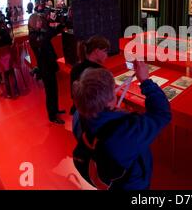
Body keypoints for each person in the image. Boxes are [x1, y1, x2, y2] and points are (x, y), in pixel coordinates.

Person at [72, 61, 171, 190]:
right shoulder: (126, 133)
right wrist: (145, 81)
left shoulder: (78, 117)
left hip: (108, 178)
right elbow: (162, 114)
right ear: (110, 99)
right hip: (133, 185)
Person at [28, 13, 65, 124]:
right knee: (50, 92)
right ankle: (52, 116)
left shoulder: (39, 33)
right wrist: (49, 24)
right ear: (34, 22)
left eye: (40, 21)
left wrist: (60, 23)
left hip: (50, 65)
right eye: (38, 21)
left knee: (54, 89)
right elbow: (46, 38)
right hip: (45, 67)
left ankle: (55, 109)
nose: (40, 22)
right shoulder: (33, 36)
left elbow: (52, 33)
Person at [69, 36, 110, 115]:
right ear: (97, 51)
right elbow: (104, 100)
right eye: (105, 51)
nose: (107, 55)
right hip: (94, 115)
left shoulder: (75, 68)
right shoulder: (101, 72)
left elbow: (74, 95)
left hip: (78, 113)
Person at [0, 22, 19, 98]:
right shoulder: (5, 32)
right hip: (9, 56)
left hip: (1, 58)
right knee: (12, 73)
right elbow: (10, 43)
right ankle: (16, 91)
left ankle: (9, 94)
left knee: (6, 76)